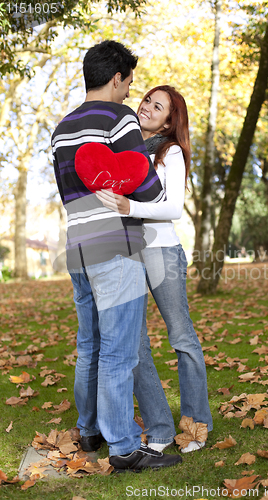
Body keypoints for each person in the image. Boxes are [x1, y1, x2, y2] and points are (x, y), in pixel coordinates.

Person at [51, 42, 182, 472]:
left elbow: (74, 190)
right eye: (128, 83)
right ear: (115, 78)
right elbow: (139, 175)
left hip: (77, 248)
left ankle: (89, 430)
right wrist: (154, 195)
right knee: (119, 352)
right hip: (116, 246)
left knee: (88, 344)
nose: (130, 94)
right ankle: (123, 447)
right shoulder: (119, 117)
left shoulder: (62, 127)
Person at [96, 85, 213, 454]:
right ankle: (161, 428)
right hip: (126, 252)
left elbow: (173, 207)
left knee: (181, 337)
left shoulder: (170, 151)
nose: (146, 106)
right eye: (146, 99)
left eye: (157, 105)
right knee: (134, 343)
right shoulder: (123, 145)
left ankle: (197, 425)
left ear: (169, 119)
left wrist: (129, 207)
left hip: (161, 251)